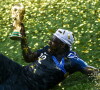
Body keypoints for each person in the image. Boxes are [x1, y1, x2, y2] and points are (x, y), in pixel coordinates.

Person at [0, 23, 99, 90]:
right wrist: (23, 38)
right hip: (19, 71)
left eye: (53, 41)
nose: (49, 42)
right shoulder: (49, 49)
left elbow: (90, 70)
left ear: (62, 45)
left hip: (27, 85)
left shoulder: (71, 60)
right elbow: (28, 58)